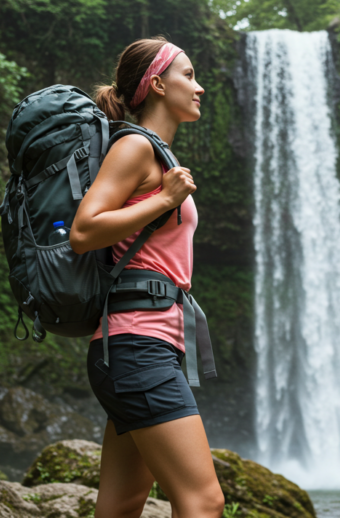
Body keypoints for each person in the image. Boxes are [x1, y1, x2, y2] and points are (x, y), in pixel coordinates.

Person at [68, 37, 225, 518]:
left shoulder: (158, 155)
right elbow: (83, 231)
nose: (199, 88)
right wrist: (163, 200)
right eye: (188, 75)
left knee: (122, 503)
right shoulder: (136, 146)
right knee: (203, 501)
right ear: (157, 84)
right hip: (136, 346)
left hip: (143, 346)